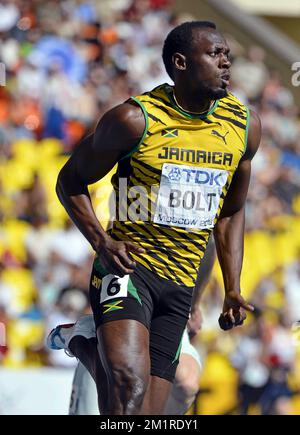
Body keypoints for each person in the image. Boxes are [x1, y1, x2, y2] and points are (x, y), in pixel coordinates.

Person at [50, 20, 261, 415]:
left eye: (226, 54)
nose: (226, 62)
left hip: (180, 281)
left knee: (143, 414)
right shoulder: (135, 119)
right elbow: (70, 181)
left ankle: (81, 342)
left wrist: (233, 287)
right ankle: (92, 345)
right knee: (128, 385)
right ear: (180, 63)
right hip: (130, 269)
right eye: (215, 54)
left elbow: (230, 212)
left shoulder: (243, 127)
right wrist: (102, 241)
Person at [49, 237, 216, 415]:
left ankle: (84, 338)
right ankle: (84, 341)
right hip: (132, 279)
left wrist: (196, 302)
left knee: (186, 383)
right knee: (126, 386)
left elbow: (209, 243)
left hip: (171, 294)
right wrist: (102, 242)